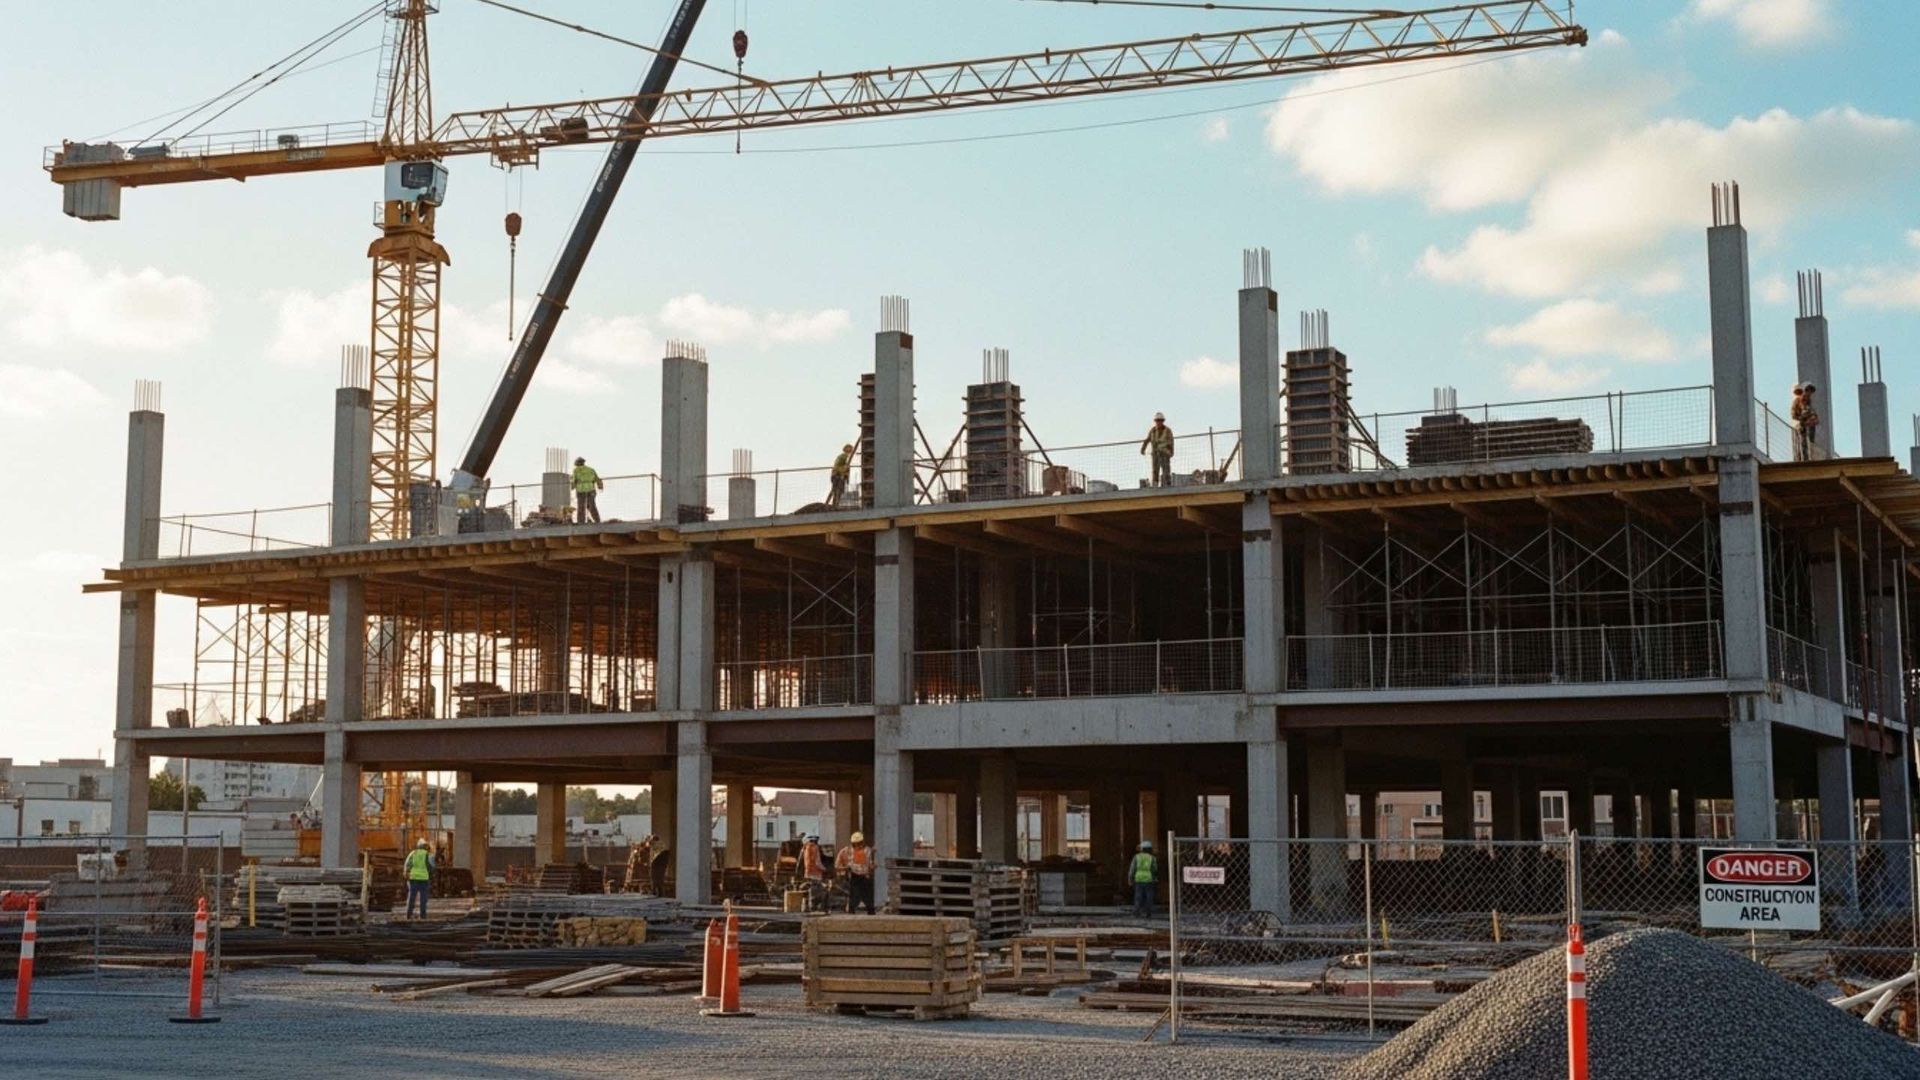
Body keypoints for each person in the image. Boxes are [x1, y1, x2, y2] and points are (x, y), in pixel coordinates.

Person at [835, 830, 876, 914]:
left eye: (860, 843)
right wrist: (845, 869)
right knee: (854, 895)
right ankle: (851, 911)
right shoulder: (846, 851)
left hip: (865, 876)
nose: (858, 846)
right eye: (856, 844)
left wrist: (872, 867)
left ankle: (871, 911)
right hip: (854, 876)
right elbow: (837, 865)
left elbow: (870, 863)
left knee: (868, 895)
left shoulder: (868, 850)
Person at [1140, 413, 1174, 487]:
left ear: (1163, 421)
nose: (1159, 422)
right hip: (1155, 453)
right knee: (1155, 470)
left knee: (1166, 470)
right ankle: (1155, 485)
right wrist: (1143, 448)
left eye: (1160, 420)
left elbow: (1171, 441)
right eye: (1157, 420)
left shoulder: (1167, 430)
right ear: (1155, 421)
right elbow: (1147, 439)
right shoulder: (1153, 431)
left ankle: (1168, 484)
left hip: (1164, 453)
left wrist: (1171, 452)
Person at [403, 838, 434, 919]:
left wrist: (406, 874)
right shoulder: (427, 854)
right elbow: (430, 867)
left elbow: (407, 865)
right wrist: (430, 874)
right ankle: (423, 916)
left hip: (413, 879)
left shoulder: (413, 853)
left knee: (411, 898)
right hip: (424, 880)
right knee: (423, 899)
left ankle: (408, 915)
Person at [1128, 840, 1157, 919]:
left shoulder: (1136, 857)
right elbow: (1154, 869)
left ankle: (1136, 912)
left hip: (1139, 878)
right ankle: (1148, 912)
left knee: (1138, 896)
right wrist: (1154, 878)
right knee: (1149, 896)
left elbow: (1132, 868)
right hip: (1149, 879)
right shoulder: (1152, 858)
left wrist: (1130, 878)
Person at [1791, 383, 1820, 460]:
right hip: (1800, 426)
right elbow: (1793, 415)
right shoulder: (1797, 401)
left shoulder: (1808, 402)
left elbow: (1812, 414)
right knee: (1801, 443)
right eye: (1808, 391)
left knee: (1808, 443)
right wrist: (1802, 420)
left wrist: (1813, 419)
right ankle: (1801, 459)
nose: (1809, 393)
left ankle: (1807, 458)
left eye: (1810, 392)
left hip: (1807, 427)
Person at [800, 834, 829, 911]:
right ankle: (815, 907)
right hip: (815, 874)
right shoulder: (814, 848)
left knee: (810, 890)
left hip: (808, 873)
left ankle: (809, 906)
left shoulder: (805, 848)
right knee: (818, 891)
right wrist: (824, 869)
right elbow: (817, 862)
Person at [572, 456, 603, 523]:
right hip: (591, 489)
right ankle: (597, 521)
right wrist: (600, 487)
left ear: (577, 464)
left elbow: (574, 481)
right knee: (592, 506)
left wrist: (572, 487)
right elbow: (597, 479)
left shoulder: (576, 470)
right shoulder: (591, 469)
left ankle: (581, 522)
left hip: (581, 490)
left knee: (581, 507)